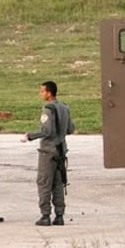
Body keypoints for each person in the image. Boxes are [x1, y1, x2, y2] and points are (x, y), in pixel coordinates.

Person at [22, 80, 75, 226]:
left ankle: (45, 215)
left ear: (49, 93)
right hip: (61, 150)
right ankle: (59, 215)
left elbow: (46, 131)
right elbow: (70, 129)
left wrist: (30, 136)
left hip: (48, 151)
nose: (41, 94)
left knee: (44, 182)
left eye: (42, 91)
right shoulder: (65, 107)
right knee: (58, 183)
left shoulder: (48, 109)